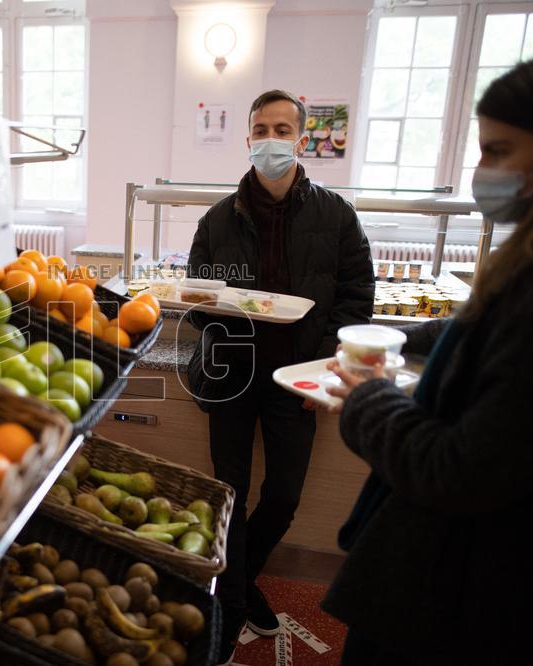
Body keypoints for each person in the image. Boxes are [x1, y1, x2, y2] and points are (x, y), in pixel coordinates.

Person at [322, 42, 533, 666]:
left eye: (499, 151)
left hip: (461, 605)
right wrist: (389, 338)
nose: (482, 171)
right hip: (458, 586)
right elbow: (473, 337)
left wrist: (368, 398)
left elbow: (459, 470)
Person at [185, 89, 373, 659]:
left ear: (300, 137)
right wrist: (214, 302)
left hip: (297, 377)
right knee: (231, 491)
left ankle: (238, 579)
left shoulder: (336, 215)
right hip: (232, 376)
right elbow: (196, 301)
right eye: (262, 129)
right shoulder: (218, 220)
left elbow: (356, 296)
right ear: (248, 140)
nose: (272, 139)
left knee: (284, 494)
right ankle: (236, 602)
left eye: (282, 128)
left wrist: (325, 366)